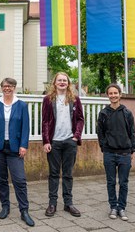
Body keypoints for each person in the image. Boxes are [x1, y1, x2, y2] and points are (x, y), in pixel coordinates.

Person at [0, 78, 35, 227]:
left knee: (19, 180)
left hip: (15, 148)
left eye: (10, 86)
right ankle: (5, 206)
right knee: (1, 179)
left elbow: (25, 127)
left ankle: (24, 210)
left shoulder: (21, 105)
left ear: (14, 88)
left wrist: (23, 145)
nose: (8, 88)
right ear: (1, 88)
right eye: (5, 86)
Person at [41, 72, 84, 217]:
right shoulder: (48, 100)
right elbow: (45, 121)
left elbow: (80, 119)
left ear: (68, 83)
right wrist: (46, 141)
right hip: (54, 142)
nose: (62, 82)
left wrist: (76, 136)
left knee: (68, 174)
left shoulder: (75, 99)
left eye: (64, 80)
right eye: (59, 80)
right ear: (54, 83)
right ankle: (52, 203)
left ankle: (68, 203)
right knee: (53, 174)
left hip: (69, 142)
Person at [96, 83, 135, 221]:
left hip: (125, 153)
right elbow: (100, 133)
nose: (113, 95)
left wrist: (132, 150)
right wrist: (104, 147)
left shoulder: (127, 113)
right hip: (109, 154)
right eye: (110, 93)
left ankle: (122, 207)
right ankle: (113, 206)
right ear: (108, 96)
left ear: (120, 94)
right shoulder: (103, 113)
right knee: (111, 182)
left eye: (115, 93)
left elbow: (132, 133)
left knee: (124, 182)